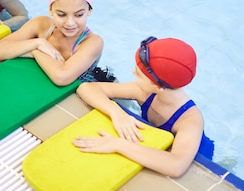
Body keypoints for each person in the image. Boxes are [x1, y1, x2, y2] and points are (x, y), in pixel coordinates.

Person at [74, 36, 214, 178]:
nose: (133, 73)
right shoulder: (146, 91)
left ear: (158, 87)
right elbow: (86, 88)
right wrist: (115, 112)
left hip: (197, 154)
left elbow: (176, 165)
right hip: (156, 137)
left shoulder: (190, 120)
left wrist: (118, 145)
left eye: (139, 75)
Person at [0, 0, 109, 86]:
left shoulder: (92, 42)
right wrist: (38, 42)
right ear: (50, 10)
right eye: (61, 14)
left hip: (85, 86)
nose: (70, 23)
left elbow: (62, 78)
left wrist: (35, 51)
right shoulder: (41, 24)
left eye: (79, 15)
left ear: (89, 11)